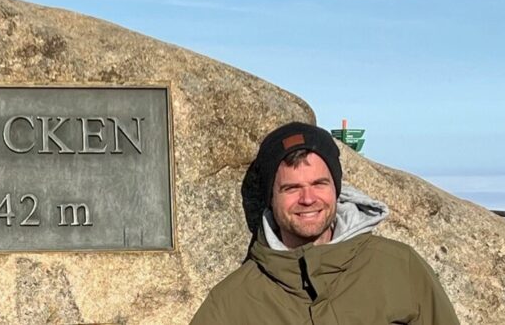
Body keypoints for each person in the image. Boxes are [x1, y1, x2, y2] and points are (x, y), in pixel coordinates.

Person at [191, 122, 459, 324]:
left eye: (319, 184)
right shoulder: (230, 304)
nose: (308, 199)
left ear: (336, 189)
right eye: (291, 188)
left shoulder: (400, 267)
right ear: (270, 198)